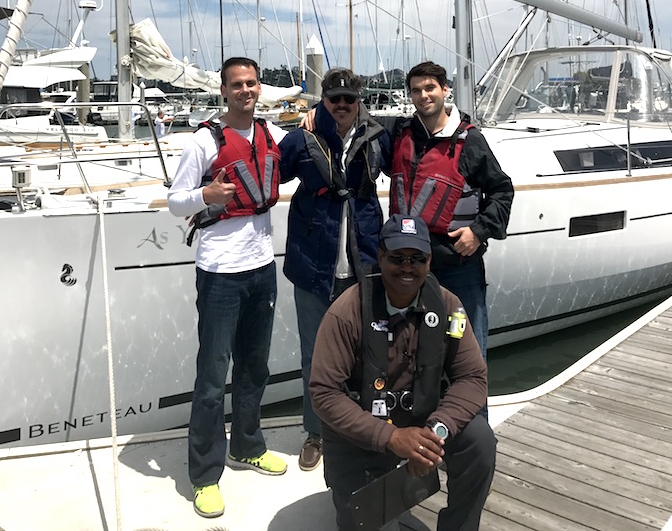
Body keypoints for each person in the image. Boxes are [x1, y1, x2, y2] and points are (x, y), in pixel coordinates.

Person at [310, 213, 497, 531]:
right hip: (361, 435)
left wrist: (436, 433)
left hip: (423, 422)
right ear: (381, 257)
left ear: (429, 260)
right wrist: (390, 437)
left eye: (417, 258)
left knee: (480, 441)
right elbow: (324, 392)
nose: (407, 267)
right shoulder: (346, 312)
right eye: (397, 258)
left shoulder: (450, 307)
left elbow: (472, 377)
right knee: (365, 520)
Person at [167, 56, 288, 520]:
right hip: (219, 272)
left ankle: (248, 446)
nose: (245, 91)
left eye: (252, 83)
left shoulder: (268, 134)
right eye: (236, 84)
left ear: (260, 88)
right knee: (212, 378)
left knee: (255, 366)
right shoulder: (203, 141)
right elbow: (177, 203)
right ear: (223, 90)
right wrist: (206, 196)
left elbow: (296, 155)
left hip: (261, 268)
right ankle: (204, 475)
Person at [279, 67, 392, 472]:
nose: (341, 105)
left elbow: (415, 162)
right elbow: (266, 175)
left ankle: (363, 426)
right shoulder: (301, 137)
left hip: (363, 262)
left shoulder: (379, 136)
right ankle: (317, 432)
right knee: (315, 355)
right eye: (334, 99)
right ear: (323, 99)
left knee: (370, 350)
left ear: (358, 99)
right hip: (314, 264)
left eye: (349, 98)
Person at [390, 61, 513, 358]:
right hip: (411, 268)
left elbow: (502, 190)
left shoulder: (469, 141)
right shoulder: (400, 135)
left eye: (430, 88)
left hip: (458, 268)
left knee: (465, 350)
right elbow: (356, 121)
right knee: (415, 352)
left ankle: (473, 407)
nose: (424, 96)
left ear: (445, 90)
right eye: (416, 90)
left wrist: (479, 232)